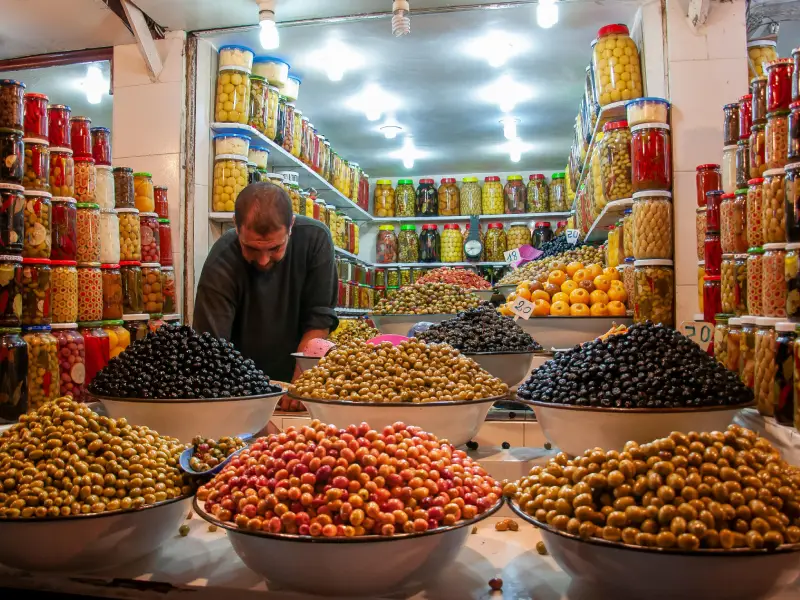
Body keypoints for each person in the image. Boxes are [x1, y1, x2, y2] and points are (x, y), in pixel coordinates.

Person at [193, 181, 338, 384]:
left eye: (275, 248)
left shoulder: (315, 240)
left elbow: (319, 318)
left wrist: (303, 382)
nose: (263, 260)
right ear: (236, 225)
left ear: (291, 226)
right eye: (252, 248)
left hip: (296, 375)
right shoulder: (222, 259)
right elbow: (211, 346)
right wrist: (246, 397)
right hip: (236, 382)